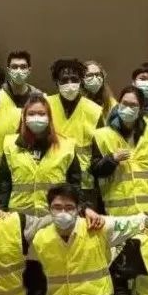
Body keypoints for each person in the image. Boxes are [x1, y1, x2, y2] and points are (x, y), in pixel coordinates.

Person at [0, 94, 81, 215]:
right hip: (19, 216)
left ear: (49, 118)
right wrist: (2, 209)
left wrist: (78, 209)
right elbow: (4, 182)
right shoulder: (10, 144)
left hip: (53, 215)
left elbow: (75, 184)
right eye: (31, 114)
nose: (36, 118)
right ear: (24, 118)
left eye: (42, 114)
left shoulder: (66, 146)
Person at [90, 86, 148, 215]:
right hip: (119, 213)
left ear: (141, 109)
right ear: (118, 105)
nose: (128, 108)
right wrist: (111, 160)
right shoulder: (101, 135)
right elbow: (95, 170)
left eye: (133, 105)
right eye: (124, 104)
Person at [47, 58, 104, 197]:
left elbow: (99, 153)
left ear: (81, 81)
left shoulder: (94, 111)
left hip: (85, 184)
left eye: (74, 79)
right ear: (57, 82)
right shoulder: (45, 105)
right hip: (52, 178)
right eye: (64, 80)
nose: (70, 84)